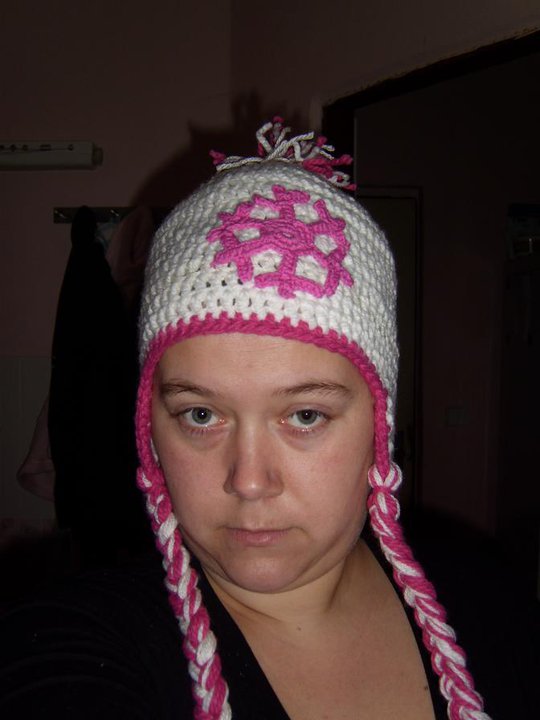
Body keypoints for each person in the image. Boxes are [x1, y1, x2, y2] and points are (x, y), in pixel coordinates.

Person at [1, 119, 505, 719]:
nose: (248, 481)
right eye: (201, 413)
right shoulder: (73, 642)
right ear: (149, 428)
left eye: (305, 415)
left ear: (380, 423)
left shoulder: (487, 601)